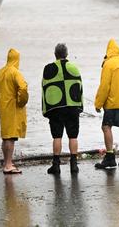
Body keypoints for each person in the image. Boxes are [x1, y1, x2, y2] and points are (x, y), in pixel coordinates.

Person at [42, 43, 83, 175]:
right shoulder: (74, 68)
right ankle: (74, 165)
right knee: (73, 136)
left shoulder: (48, 68)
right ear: (67, 54)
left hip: (55, 108)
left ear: (55, 54)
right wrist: (80, 106)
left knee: (57, 136)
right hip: (72, 106)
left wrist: (46, 110)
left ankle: (56, 165)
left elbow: (45, 89)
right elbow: (79, 88)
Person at [94, 39, 119, 169]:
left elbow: (105, 86)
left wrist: (98, 103)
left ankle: (110, 157)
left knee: (106, 127)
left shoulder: (108, 64)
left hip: (113, 103)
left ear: (108, 52)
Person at [0, 48, 29, 174]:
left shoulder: (0, 72)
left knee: (5, 136)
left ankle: (7, 162)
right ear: (17, 59)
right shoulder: (15, 72)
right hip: (13, 108)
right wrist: (21, 101)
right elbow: (23, 88)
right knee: (10, 137)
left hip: (3, 108)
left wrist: (0, 100)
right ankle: (8, 165)